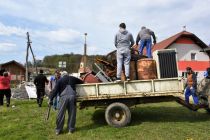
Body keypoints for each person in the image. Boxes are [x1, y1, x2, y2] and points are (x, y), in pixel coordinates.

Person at [49, 71, 83, 135]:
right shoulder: (73, 78)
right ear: (68, 74)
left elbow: (55, 91)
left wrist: (50, 98)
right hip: (72, 98)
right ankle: (71, 129)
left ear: (62, 75)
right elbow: (82, 82)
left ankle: (58, 130)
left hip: (63, 98)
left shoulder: (60, 80)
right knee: (72, 114)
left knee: (61, 114)